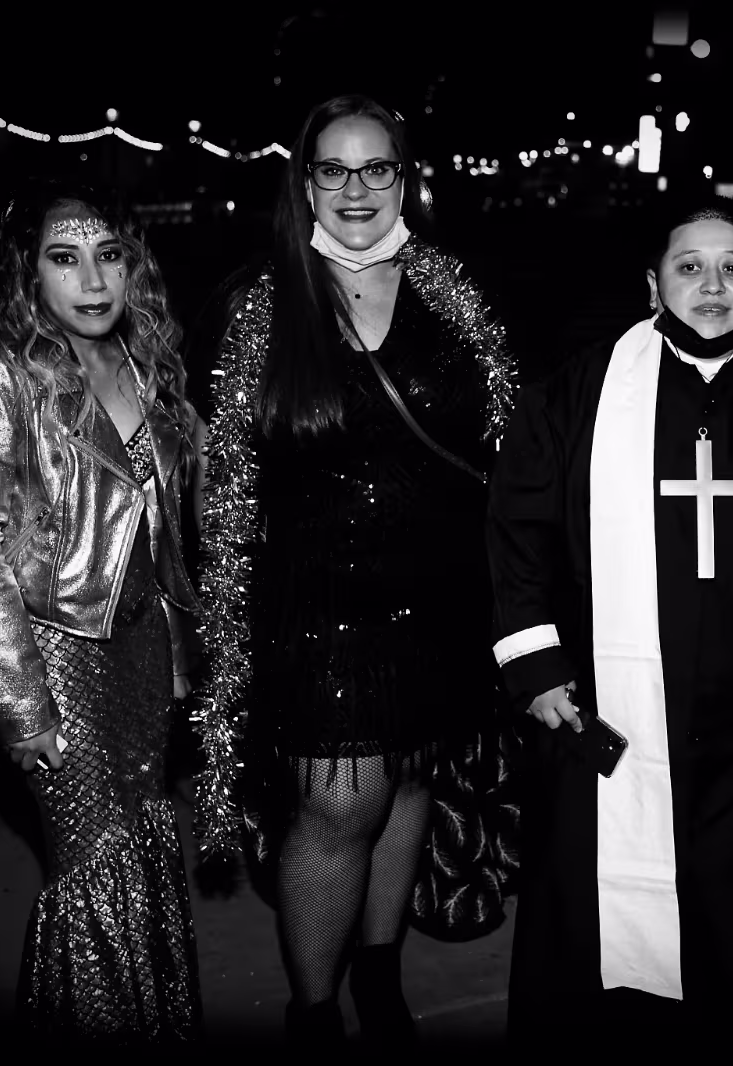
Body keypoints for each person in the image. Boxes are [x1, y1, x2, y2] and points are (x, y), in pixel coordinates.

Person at [487, 201, 733, 1048]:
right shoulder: (576, 396)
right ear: (653, 285)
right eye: (690, 266)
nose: (713, 285)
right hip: (604, 714)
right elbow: (517, 531)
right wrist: (538, 666)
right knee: (595, 925)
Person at [192, 93, 518, 1048]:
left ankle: (379, 977)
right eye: (333, 169)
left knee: (408, 780)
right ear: (305, 185)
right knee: (341, 801)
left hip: (437, 595)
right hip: (315, 599)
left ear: (404, 179)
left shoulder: (450, 293)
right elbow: (215, 470)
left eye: (377, 168)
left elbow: (501, 440)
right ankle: (313, 1014)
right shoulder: (259, 304)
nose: (356, 189)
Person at [0, 181, 204, 1043]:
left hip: (142, 651)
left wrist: (185, 649)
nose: (92, 281)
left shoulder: (140, 360)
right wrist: (22, 703)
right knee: (90, 867)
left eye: (109, 256)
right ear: (28, 271)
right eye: (64, 258)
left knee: (145, 845)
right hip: (58, 657)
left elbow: (164, 528)